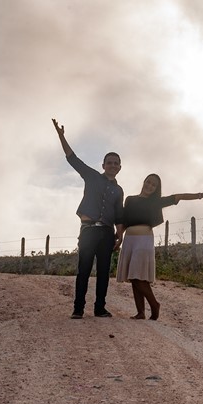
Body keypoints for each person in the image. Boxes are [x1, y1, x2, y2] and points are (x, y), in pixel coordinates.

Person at [117, 174, 203, 320]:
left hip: (144, 239)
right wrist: (119, 237)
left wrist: (202, 195)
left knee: (137, 276)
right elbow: (125, 220)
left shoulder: (156, 201)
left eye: (153, 185)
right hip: (129, 239)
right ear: (144, 182)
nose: (149, 186)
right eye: (148, 182)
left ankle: (154, 305)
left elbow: (180, 196)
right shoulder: (130, 199)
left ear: (156, 188)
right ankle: (140, 312)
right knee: (135, 277)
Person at [52, 118, 124, 319]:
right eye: (109, 162)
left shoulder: (119, 190)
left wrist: (120, 235)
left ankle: (100, 308)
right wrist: (61, 136)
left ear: (119, 167)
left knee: (103, 272)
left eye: (116, 163)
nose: (112, 165)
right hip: (88, 230)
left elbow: (119, 213)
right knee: (83, 270)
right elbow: (72, 159)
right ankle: (78, 308)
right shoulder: (91, 176)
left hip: (107, 233)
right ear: (103, 165)